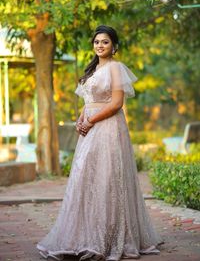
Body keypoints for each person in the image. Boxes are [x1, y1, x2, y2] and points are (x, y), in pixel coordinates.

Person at [37, 25, 162, 261]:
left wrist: (91, 121)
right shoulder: (93, 70)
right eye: (96, 42)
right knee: (86, 178)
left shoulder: (116, 68)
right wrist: (80, 120)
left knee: (107, 180)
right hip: (90, 129)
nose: (100, 45)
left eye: (105, 42)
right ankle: (83, 234)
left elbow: (116, 103)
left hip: (108, 129)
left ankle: (109, 237)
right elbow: (88, 100)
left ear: (114, 46)